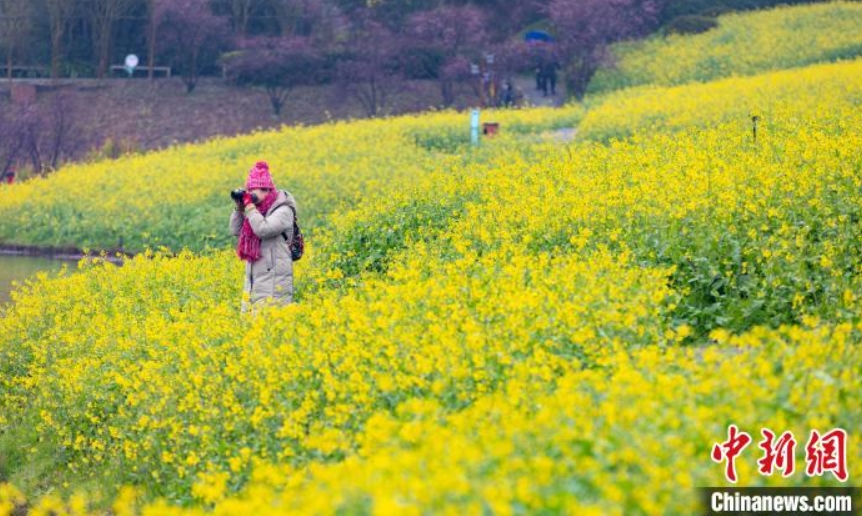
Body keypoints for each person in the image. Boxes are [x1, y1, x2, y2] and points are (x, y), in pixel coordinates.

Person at [229, 160, 297, 313]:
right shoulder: (255, 211)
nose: (252, 193)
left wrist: (250, 207)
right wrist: (239, 208)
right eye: (250, 189)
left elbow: (264, 229)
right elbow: (235, 230)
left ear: (267, 189)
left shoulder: (284, 210)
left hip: (274, 281)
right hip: (254, 281)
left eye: (256, 189)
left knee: (270, 324)